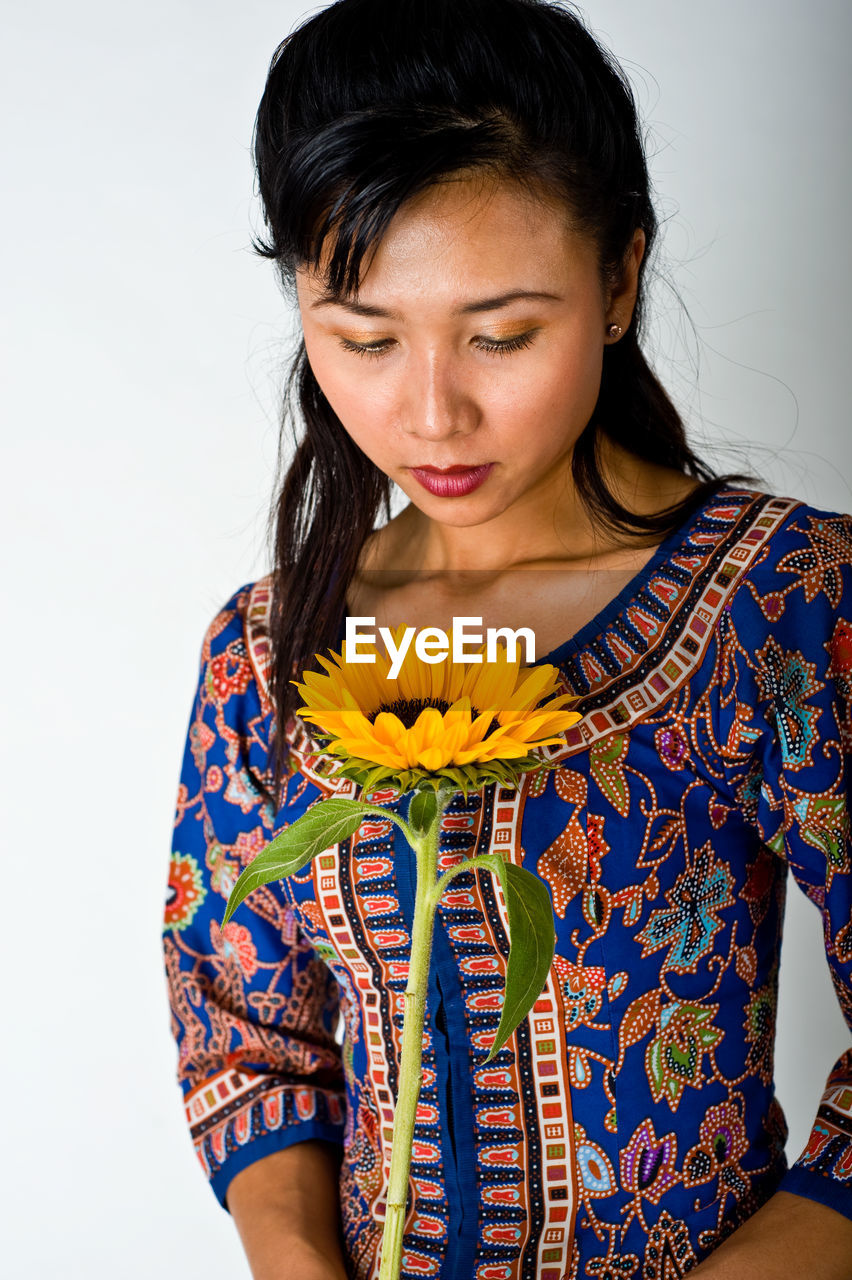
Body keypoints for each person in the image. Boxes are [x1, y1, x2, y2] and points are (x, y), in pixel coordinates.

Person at [163, 1, 852, 1276]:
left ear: (620, 281)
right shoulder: (264, 651)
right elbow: (246, 1023)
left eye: (502, 333)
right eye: (362, 337)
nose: (433, 409)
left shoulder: (784, 600)